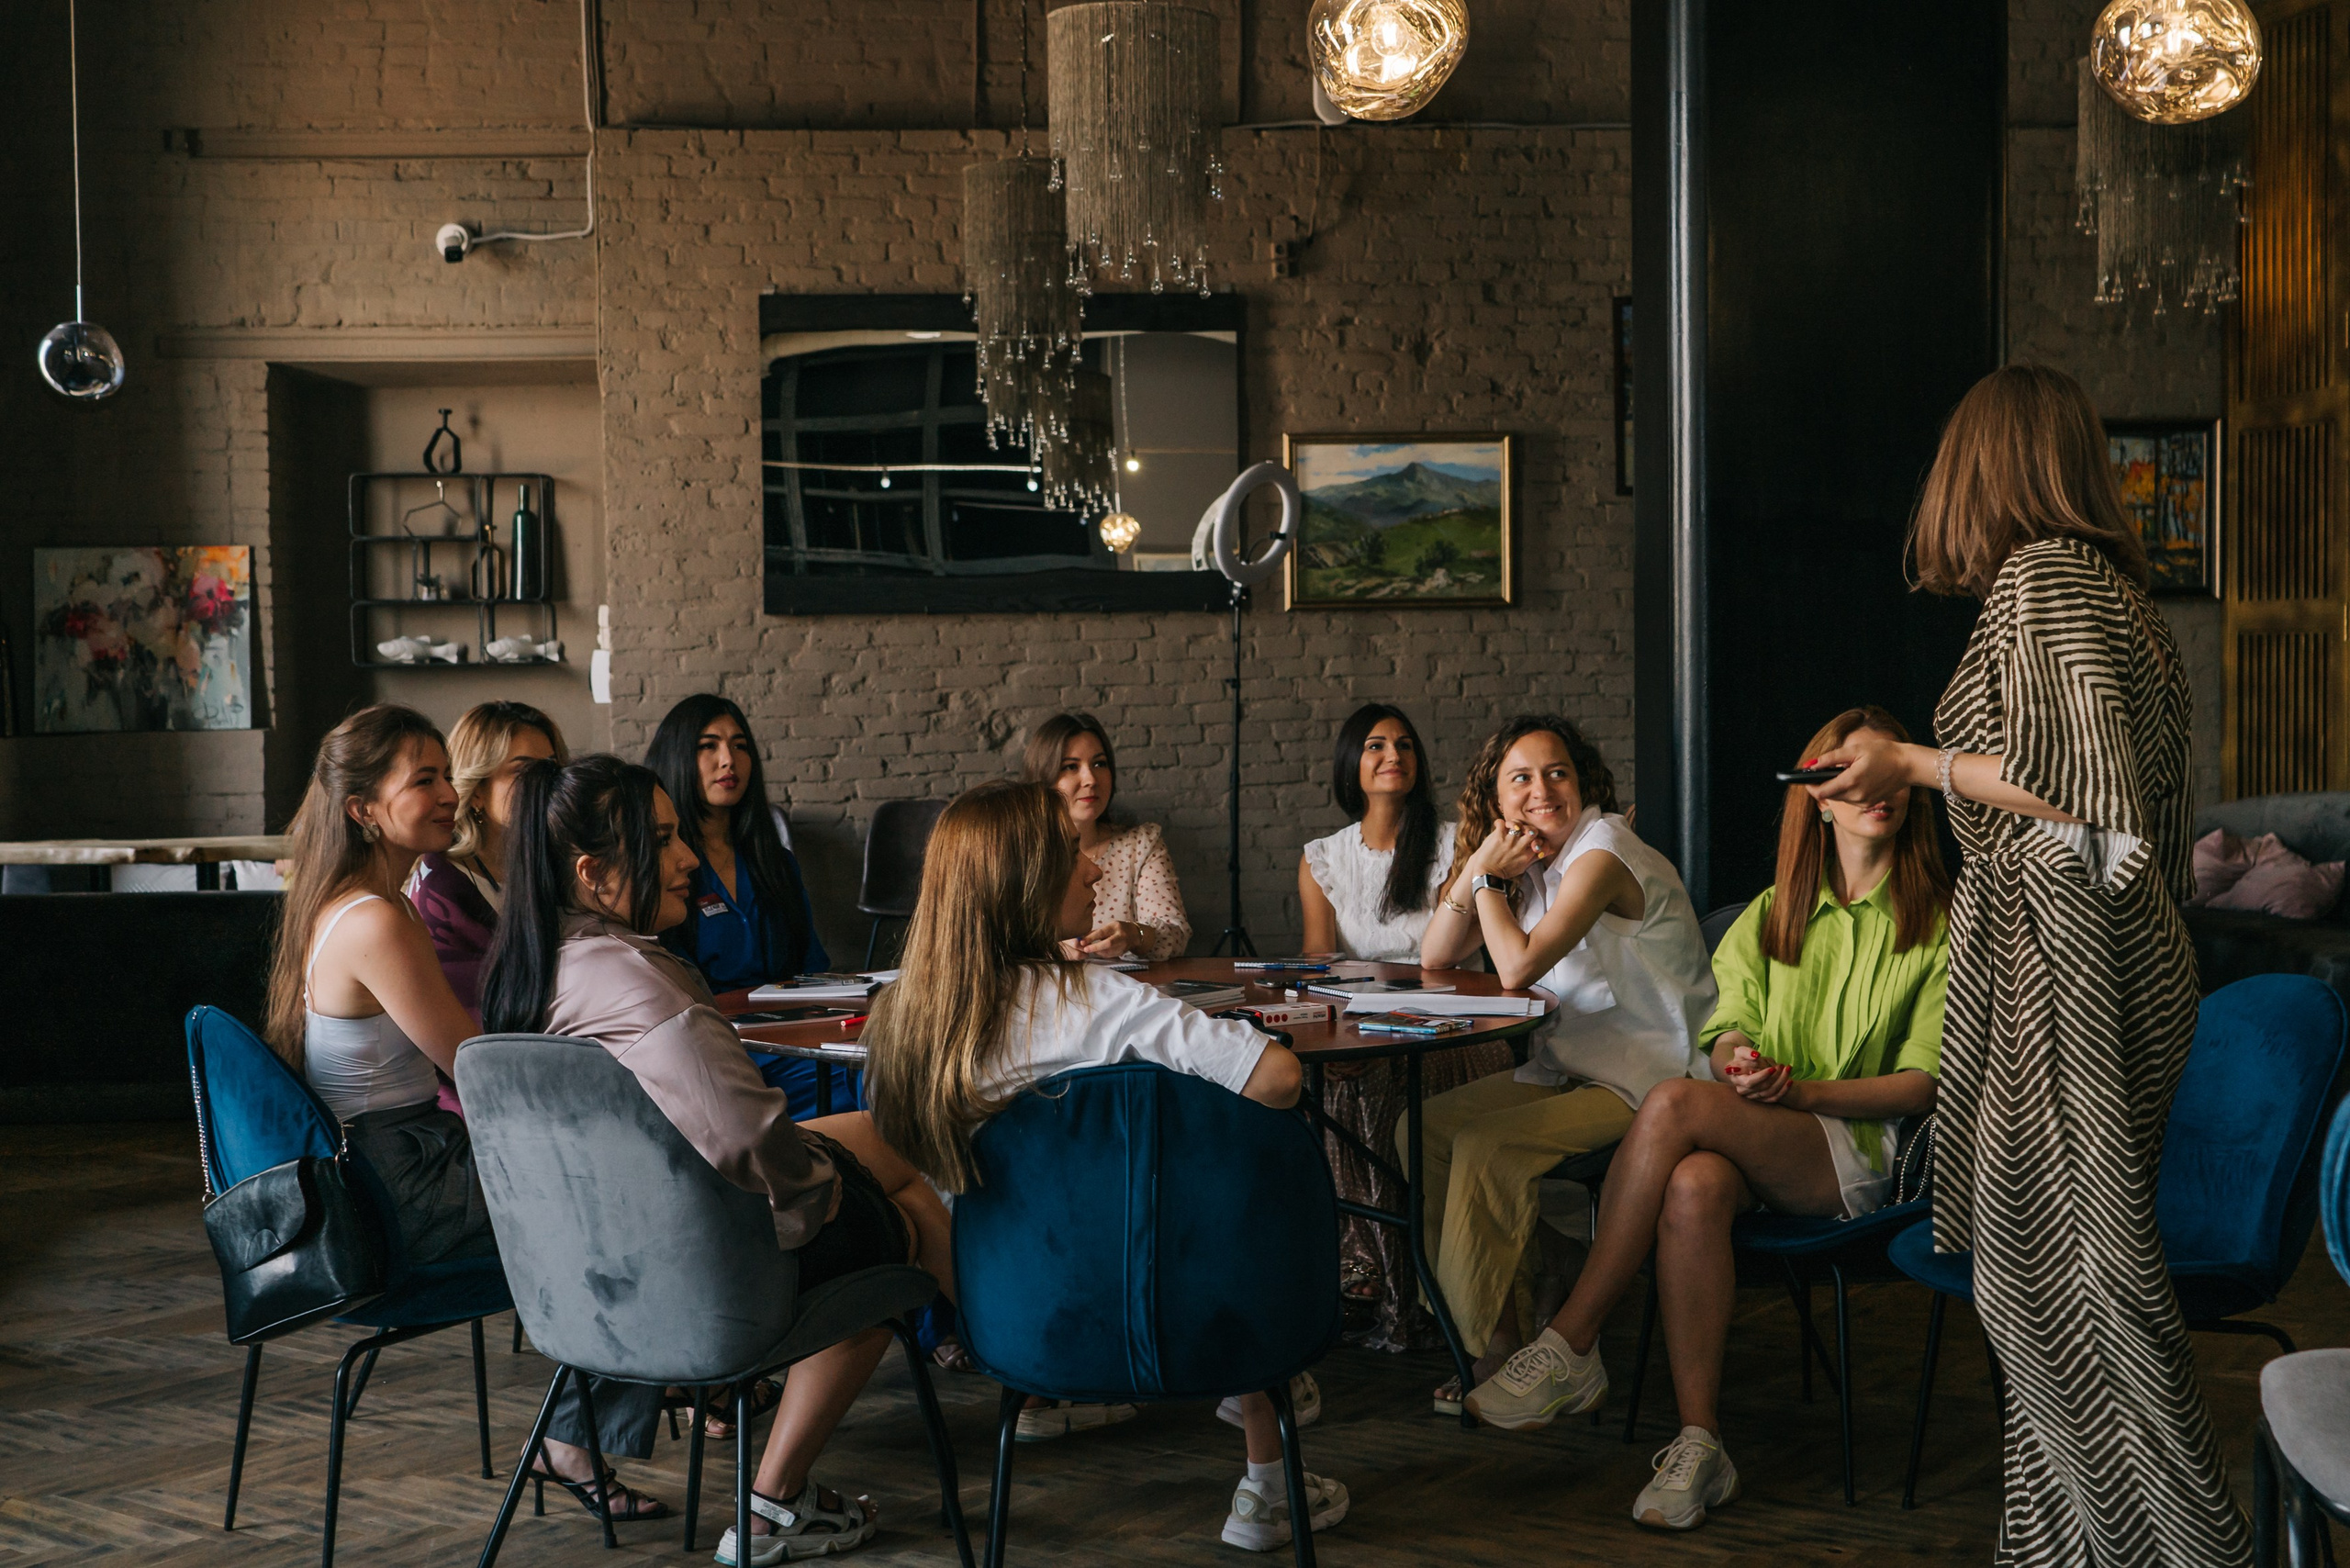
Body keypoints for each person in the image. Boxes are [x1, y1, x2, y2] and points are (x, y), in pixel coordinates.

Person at [1810, 364, 2249, 1564]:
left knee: (2073, 1300)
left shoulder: (2045, 579)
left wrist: (1914, 762)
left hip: (2073, 981)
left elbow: (2076, 798)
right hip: (2108, 966)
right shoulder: (2112, 591)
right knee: (2062, 1299)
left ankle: (2189, 1548)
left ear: (1986, 465)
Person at [1462, 706, 1950, 1531]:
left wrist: (1800, 1094)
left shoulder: (1939, 920)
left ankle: (1574, 1336)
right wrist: (1739, 1065)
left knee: (1675, 1101)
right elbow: (1726, 1032)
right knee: (1692, 1184)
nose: (1874, 792)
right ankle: (1701, 1445)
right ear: (1818, 800)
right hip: (1768, 1136)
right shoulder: (1772, 913)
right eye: (1846, 778)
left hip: (1868, 1155)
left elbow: (1922, 1087)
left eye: (1888, 775)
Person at [483, 754, 953, 1565]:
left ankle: (979, 1349)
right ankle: (776, 1501)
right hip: (703, 1274)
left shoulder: (530, 969)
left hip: (590, 1279)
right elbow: (741, 1138)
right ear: (593, 873)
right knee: (893, 1225)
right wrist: (823, 1197)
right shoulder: (637, 983)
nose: (689, 858)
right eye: (662, 840)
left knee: (895, 1140)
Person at [862, 780, 1347, 1554]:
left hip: (1025, 1326)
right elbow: (1279, 1082)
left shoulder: (908, 1021)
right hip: (1193, 1311)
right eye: (1072, 858)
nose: (1093, 871)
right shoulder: (1104, 1002)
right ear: (1025, 882)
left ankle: (1066, 1403)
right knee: (1217, 1200)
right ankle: (1265, 1487)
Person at [263, 706, 661, 1523]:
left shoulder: (358, 900)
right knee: (643, 1207)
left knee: (628, 1189)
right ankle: (585, 1434)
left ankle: (644, 1400)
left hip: (394, 1161)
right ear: (363, 809)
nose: (454, 795)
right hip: (396, 1188)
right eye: (426, 780)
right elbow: (480, 1066)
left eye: (449, 774)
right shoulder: (375, 919)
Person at [1410, 715, 1715, 1414]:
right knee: (1417, 1131)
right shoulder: (1536, 863)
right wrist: (1484, 864)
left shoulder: (1603, 851)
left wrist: (1486, 874)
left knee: (1486, 1147)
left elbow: (1514, 967)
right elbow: (1434, 956)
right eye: (1520, 778)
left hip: (1652, 1077)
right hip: (1572, 1070)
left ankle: (1523, 1348)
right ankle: (1502, 1336)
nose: (1542, 790)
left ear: (1584, 785)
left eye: (1558, 774)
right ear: (1495, 800)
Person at [1297, 702, 1511, 1351]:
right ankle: (1372, 1262)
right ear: (1350, 767)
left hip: (1455, 1025)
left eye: (1405, 746)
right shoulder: (1322, 859)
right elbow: (1318, 967)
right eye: (1375, 746)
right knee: (1331, 1082)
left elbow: (1454, 956)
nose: (1393, 756)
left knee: (1370, 1084)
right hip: (1363, 1026)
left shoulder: (1456, 842)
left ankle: (1396, 1271)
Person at [645, 694, 837, 1117]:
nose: (728, 760)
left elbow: (812, 968)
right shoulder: (663, 869)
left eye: (740, 746)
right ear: (678, 756)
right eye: (708, 746)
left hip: (792, 1039)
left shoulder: (776, 861)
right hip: (713, 1053)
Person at [410, 700, 566, 1016]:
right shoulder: (442, 888)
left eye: (551, 769)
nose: (545, 785)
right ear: (478, 790)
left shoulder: (558, 860)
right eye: (524, 771)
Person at [1024, 711, 1190, 960]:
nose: (1090, 779)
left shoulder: (1141, 843)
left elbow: (1175, 932)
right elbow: (992, 943)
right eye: (1071, 766)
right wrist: (1053, 951)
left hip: (1129, 992)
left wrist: (1135, 935)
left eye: (1099, 763)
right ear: (1044, 778)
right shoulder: (1021, 851)